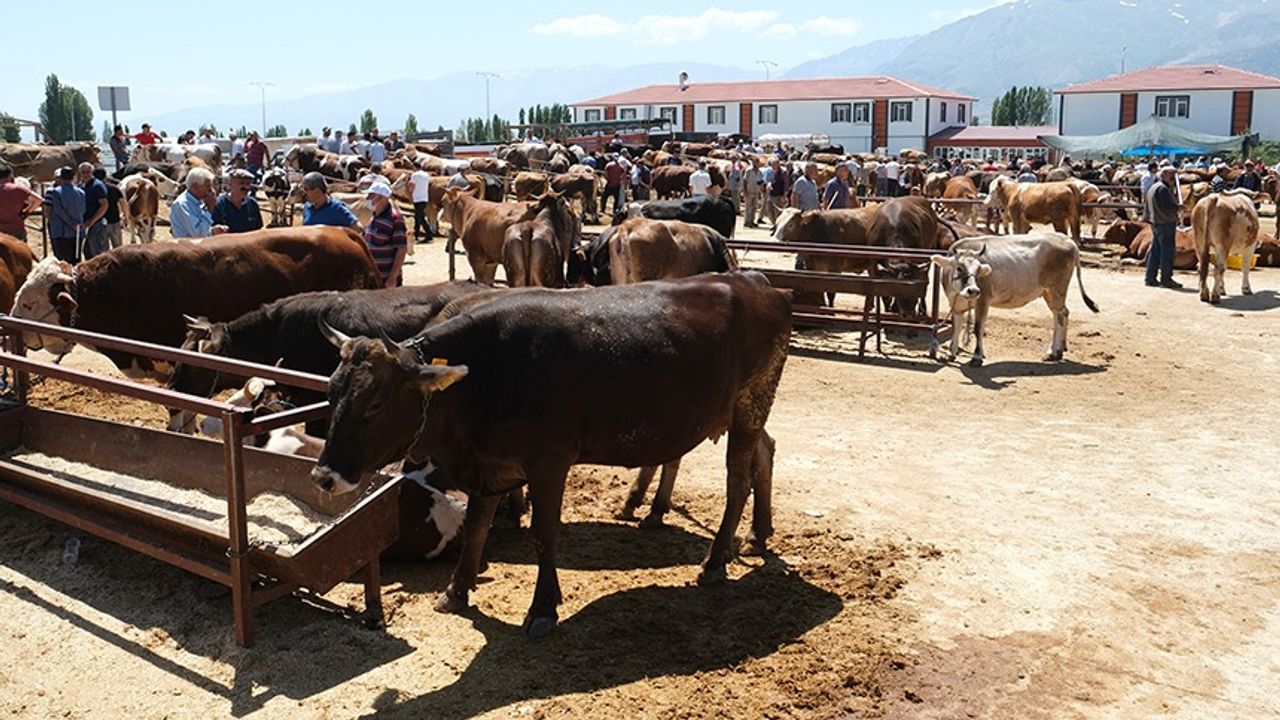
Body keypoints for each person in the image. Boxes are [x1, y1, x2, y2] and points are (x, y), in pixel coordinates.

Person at [362, 181, 407, 288]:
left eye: (371, 195)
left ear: (382, 197)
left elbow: (401, 249)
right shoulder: (375, 215)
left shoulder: (395, 218)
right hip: (373, 279)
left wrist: (392, 277)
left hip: (386, 280)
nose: (368, 198)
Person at [1145, 166, 1182, 289]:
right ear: (1164, 174)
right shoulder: (1163, 189)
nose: (1172, 177)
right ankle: (1166, 279)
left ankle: (1150, 277)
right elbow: (1168, 207)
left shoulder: (1153, 187)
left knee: (1155, 251)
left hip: (1156, 222)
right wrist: (1179, 207)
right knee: (1167, 252)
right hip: (1165, 223)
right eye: (1170, 174)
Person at [169, 167, 222, 239]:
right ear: (195, 187)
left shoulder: (200, 202)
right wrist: (210, 209)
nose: (211, 190)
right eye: (207, 186)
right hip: (186, 247)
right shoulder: (182, 205)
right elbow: (197, 234)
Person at [46, 167, 85, 262]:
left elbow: (60, 211)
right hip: (77, 231)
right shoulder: (81, 192)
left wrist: (71, 224)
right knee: (76, 259)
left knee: (62, 261)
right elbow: (83, 210)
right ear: (73, 177)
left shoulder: (56, 191)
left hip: (60, 231)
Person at [0, 163, 45, 241]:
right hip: (15, 230)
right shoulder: (18, 189)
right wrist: (26, 211)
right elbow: (38, 200)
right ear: (10, 175)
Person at [212, 169, 264, 234]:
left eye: (248, 183)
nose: (245, 187)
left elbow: (258, 230)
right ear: (230, 184)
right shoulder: (219, 204)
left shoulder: (253, 204)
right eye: (241, 183)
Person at [77, 163, 111, 259]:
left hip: (97, 223)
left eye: (88, 172)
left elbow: (104, 205)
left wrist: (92, 220)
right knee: (87, 250)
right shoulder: (80, 186)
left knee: (98, 251)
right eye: (83, 172)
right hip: (85, 223)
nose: (85, 174)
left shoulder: (97, 186)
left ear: (91, 172)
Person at [94, 167, 125, 250]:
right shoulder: (114, 188)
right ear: (105, 176)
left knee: (103, 249)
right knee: (118, 248)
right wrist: (126, 217)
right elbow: (123, 203)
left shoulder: (93, 188)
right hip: (115, 221)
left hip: (99, 222)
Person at [407, 166, 434, 241]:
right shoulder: (426, 175)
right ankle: (416, 233)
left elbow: (411, 186)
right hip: (424, 197)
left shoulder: (414, 175)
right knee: (417, 216)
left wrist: (409, 193)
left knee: (420, 217)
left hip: (417, 198)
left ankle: (429, 233)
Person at [766, 158, 790, 225]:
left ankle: (777, 225)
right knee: (769, 210)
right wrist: (769, 184)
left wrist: (784, 195)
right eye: (772, 165)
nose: (773, 166)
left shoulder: (783, 172)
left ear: (778, 164)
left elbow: (786, 184)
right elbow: (768, 180)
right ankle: (774, 224)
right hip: (770, 194)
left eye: (774, 164)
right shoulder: (770, 171)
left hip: (779, 195)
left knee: (777, 211)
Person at [742, 157, 763, 227]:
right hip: (749, 190)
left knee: (754, 207)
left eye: (757, 162)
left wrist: (760, 191)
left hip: (756, 191)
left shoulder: (759, 172)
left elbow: (760, 182)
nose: (756, 164)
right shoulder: (748, 171)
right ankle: (747, 221)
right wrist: (745, 191)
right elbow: (745, 181)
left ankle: (752, 221)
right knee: (748, 207)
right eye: (754, 162)